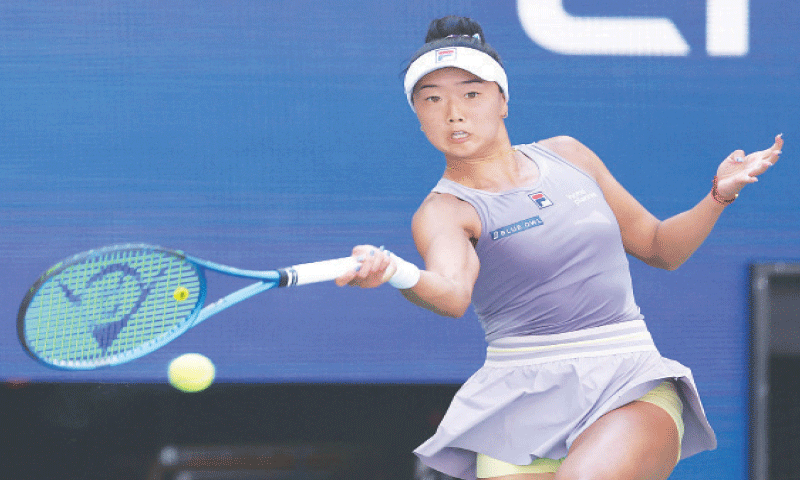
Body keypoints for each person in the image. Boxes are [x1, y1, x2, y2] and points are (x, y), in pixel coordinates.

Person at [335, 15, 783, 480]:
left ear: (503, 100)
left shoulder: (569, 155)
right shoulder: (442, 212)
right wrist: (396, 272)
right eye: (432, 99)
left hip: (626, 383)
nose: (453, 112)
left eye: (471, 94)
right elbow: (451, 294)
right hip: (515, 407)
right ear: (418, 114)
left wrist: (718, 196)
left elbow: (660, 247)